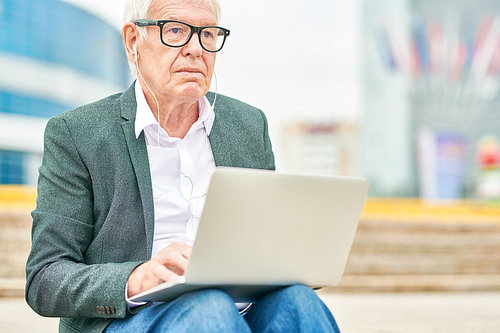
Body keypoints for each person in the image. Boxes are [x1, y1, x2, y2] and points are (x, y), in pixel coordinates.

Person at [25, 0, 341, 332]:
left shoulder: (249, 125)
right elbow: (45, 278)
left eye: (207, 33)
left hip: (241, 310)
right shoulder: (77, 133)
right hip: (134, 318)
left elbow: (267, 245)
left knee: (299, 301)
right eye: (175, 30)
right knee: (210, 309)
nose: (195, 49)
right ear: (134, 41)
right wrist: (137, 277)